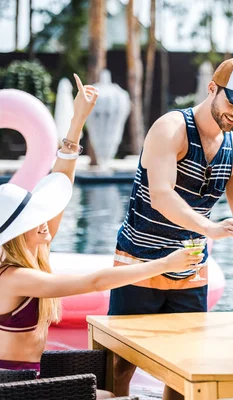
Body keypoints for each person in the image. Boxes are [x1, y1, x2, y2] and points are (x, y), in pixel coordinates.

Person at [0, 75, 204, 400]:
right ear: (14, 235)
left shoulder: (34, 248)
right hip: (16, 391)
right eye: (33, 219)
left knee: (114, 393)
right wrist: (166, 263)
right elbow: (96, 282)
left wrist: (77, 120)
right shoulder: (15, 277)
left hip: (33, 380)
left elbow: (61, 185)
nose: (43, 223)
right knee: (120, 399)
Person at [109, 58, 233, 400]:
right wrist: (211, 228)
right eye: (232, 101)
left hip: (192, 268)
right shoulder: (171, 128)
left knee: (187, 370)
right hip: (139, 261)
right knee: (120, 365)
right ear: (212, 89)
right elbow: (161, 196)